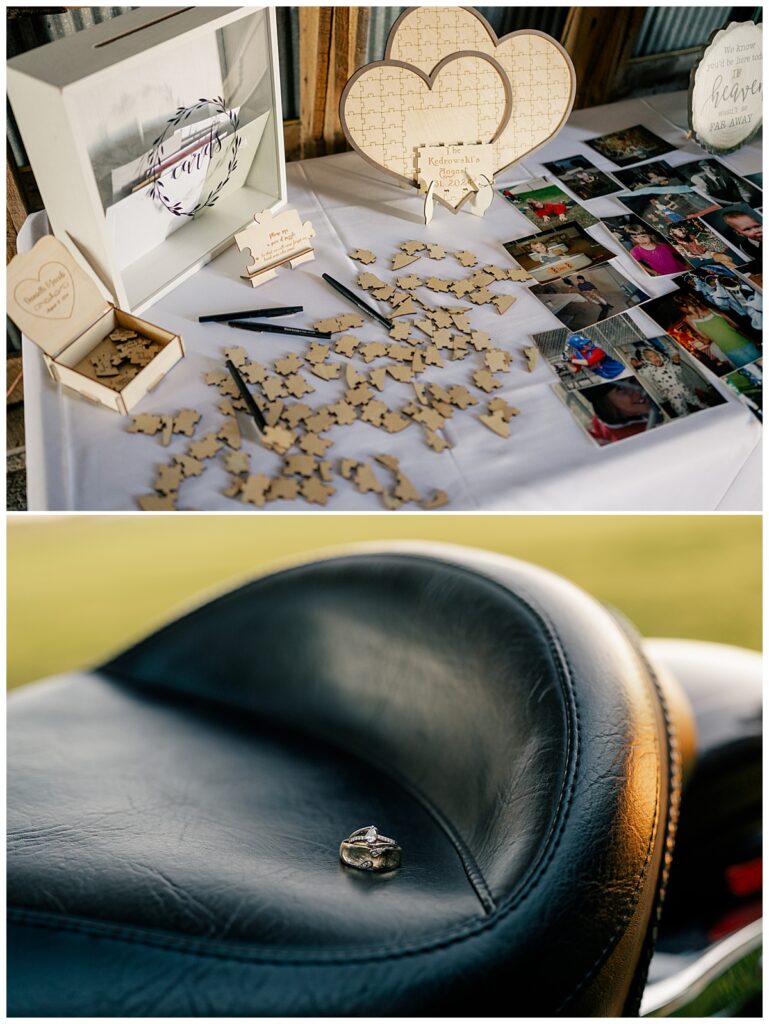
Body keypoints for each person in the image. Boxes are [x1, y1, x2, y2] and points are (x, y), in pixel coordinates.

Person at [680, 294, 761, 369]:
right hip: (745, 342)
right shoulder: (713, 310)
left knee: (755, 372)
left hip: (730, 349)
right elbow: (735, 324)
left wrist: (703, 337)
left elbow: (706, 339)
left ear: (683, 308)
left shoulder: (689, 320)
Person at [633, 344, 707, 417]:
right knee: (679, 405)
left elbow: (677, 371)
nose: (655, 358)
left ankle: (699, 404)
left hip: (681, 386)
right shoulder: (650, 369)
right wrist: (638, 366)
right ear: (646, 360)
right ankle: (684, 415)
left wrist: (676, 363)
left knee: (690, 396)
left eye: (656, 355)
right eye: (650, 357)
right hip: (670, 392)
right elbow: (642, 373)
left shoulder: (667, 364)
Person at [583, 379, 658, 444]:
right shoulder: (635, 438)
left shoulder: (599, 420)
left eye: (632, 380)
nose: (638, 390)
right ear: (606, 402)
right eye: (620, 388)